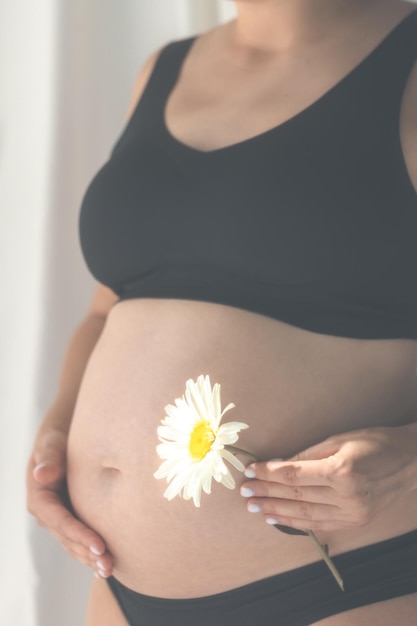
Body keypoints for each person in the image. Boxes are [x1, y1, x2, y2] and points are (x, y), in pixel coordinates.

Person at [27, 0, 417, 624]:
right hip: (116, 587)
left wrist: (410, 465)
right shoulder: (163, 70)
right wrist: (56, 436)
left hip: (339, 586)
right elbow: (108, 310)